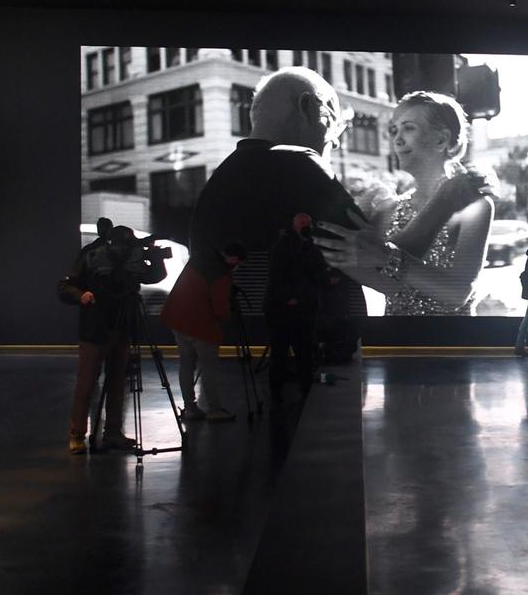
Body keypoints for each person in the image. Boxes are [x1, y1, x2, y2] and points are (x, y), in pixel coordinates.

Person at [190, 67, 365, 319]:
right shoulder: (299, 164)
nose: (335, 143)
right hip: (311, 345)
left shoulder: (223, 175)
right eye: (333, 125)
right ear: (307, 106)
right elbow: (379, 264)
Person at [310, 91, 494, 314]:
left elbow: (457, 293)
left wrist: (385, 256)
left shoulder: (474, 205)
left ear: (441, 139)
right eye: (394, 130)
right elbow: (386, 283)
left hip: (452, 341)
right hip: (397, 340)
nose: (397, 140)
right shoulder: (390, 207)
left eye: (409, 128)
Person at [60, 222, 166, 453]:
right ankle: (77, 434)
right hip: (95, 329)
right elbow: (64, 287)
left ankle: (113, 433)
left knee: (118, 381)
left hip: (122, 327)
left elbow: (155, 276)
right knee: (87, 383)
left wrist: (156, 258)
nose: (124, 250)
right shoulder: (92, 256)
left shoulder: (132, 260)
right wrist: (82, 295)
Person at [161, 241, 245, 423]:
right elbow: (219, 308)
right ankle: (214, 409)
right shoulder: (221, 275)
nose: (237, 267)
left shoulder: (198, 261)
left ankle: (190, 407)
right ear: (233, 259)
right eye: (238, 263)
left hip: (178, 320)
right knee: (209, 367)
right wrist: (228, 315)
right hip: (202, 326)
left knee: (186, 364)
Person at [266, 216, 328, 402]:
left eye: (308, 224)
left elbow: (317, 269)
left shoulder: (310, 247)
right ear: (293, 225)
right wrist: (288, 298)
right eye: (302, 224)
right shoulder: (283, 246)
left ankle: (305, 386)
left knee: (304, 350)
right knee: (280, 351)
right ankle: (277, 390)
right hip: (283, 310)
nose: (306, 227)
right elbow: (276, 275)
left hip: (304, 309)